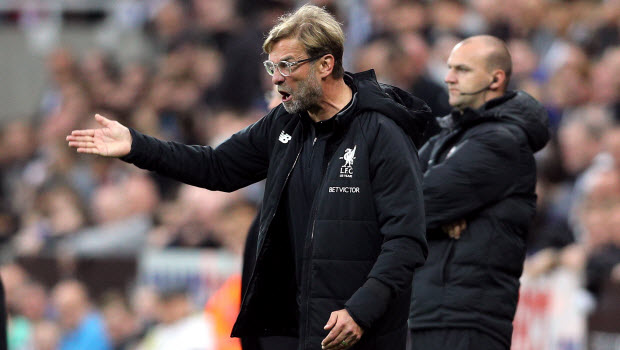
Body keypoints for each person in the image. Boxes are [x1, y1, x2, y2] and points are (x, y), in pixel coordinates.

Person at [67, 5, 433, 350]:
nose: (276, 79)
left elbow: (405, 240)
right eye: (272, 66)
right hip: (290, 331)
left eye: (287, 65)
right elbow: (215, 167)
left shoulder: (382, 132)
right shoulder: (285, 123)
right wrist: (136, 145)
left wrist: (361, 310)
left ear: (325, 64)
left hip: (356, 332)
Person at [408, 35, 550, 350]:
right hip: (426, 313)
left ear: (495, 78)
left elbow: (417, 202)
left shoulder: (503, 142)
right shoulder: (446, 140)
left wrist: (425, 217)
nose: (448, 77)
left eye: (462, 69)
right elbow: (391, 195)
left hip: (466, 320)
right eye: (448, 68)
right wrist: (437, 219)